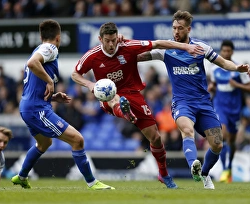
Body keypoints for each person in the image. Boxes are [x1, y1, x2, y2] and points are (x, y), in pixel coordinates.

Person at [71, 22, 204, 189]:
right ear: (100, 39)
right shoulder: (92, 55)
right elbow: (75, 74)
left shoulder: (128, 46)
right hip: (108, 94)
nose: (111, 44)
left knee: (155, 138)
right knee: (114, 97)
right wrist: (90, 85)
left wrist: (186, 47)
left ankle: (163, 174)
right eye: (107, 41)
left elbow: (158, 43)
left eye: (113, 40)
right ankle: (124, 112)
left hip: (133, 94)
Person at [137, 10, 250, 189]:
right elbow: (137, 56)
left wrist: (237, 68)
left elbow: (223, 62)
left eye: (180, 28)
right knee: (187, 130)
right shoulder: (166, 50)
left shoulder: (200, 48)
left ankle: (204, 174)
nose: (176, 32)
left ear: (188, 29)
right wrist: (123, 50)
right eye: (174, 28)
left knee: (218, 144)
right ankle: (193, 166)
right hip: (182, 103)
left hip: (203, 103)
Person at [11, 19, 114, 190]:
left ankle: (21, 176)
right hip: (37, 109)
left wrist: (52, 96)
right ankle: (92, 183)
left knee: (44, 144)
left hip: (29, 105)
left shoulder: (38, 49)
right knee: (77, 140)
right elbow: (32, 63)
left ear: (40, 36)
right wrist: (49, 81)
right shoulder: (50, 48)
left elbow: (33, 84)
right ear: (58, 38)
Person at [208, 40, 250, 183]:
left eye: (229, 51)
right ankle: (224, 170)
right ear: (221, 51)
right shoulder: (213, 68)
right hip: (220, 106)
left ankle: (229, 168)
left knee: (232, 141)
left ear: (232, 52)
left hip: (235, 108)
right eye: (224, 51)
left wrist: (237, 85)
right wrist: (212, 88)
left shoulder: (239, 68)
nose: (226, 53)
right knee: (222, 134)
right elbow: (215, 84)